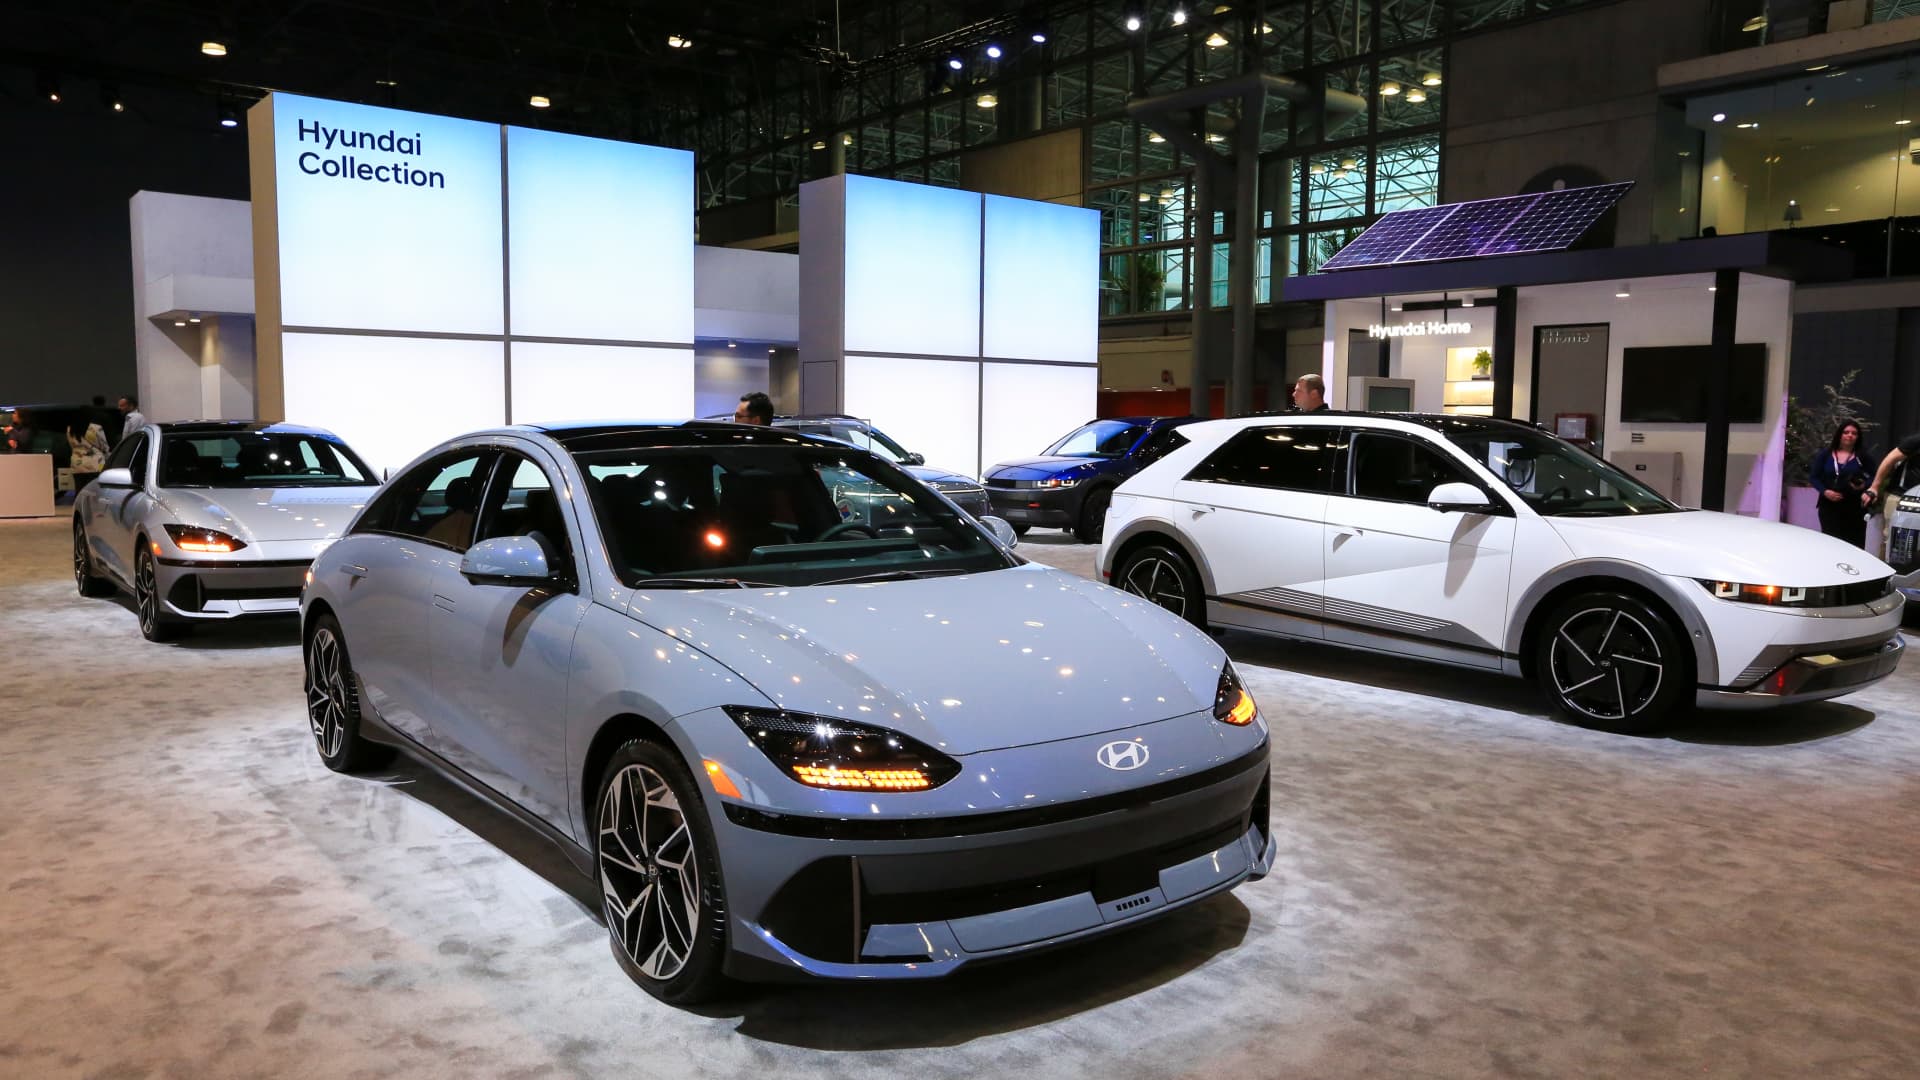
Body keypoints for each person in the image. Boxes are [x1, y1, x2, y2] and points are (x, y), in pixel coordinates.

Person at [1810, 420, 1876, 548]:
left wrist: (1864, 485)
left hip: (1855, 507)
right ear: (1839, 434)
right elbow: (1814, 478)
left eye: (1854, 433)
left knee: (1854, 544)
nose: (1850, 435)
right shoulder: (1826, 454)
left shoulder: (1863, 456)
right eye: (1846, 432)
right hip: (1829, 506)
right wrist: (1825, 491)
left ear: (1858, 437)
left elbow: (1875, 476)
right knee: (1831, 543)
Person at [67, 416, 110, 492]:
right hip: (95, 465)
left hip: (77, 465)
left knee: (80, 492)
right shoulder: (95, 428)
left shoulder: (70, 429)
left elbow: (71, 446)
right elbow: (104, 446)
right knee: (94, 492)